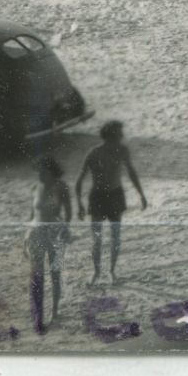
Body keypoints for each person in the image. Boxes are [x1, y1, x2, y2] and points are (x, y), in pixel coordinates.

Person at [76, 121, 147, 285]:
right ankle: (96, 272)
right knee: (97, 239)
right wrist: (79, 204)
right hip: (98, 197)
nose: (122, 137)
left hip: (116, 196)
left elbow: (132, 173)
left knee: (115, 237)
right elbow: (79, 180)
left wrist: (141, 194)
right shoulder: (94, 153)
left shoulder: (122, 150)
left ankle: (112, 272)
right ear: (111, 136)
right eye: (119, 134)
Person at [26, 155, 72, 328]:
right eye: (38, 172)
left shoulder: (62, 187)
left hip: (55, 234)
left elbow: (68, 213)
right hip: (36, 233)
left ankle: (55, 311)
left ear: (51, 172)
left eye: (42, 172)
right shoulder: (35, 187)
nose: (39, 176)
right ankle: (38, 317)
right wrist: (26, 236)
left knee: (55, 273)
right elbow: (31, 216)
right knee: (36, 276)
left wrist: (66, 229)